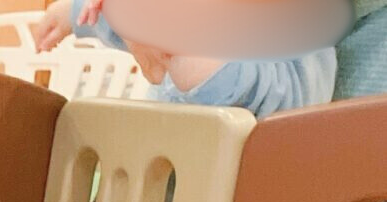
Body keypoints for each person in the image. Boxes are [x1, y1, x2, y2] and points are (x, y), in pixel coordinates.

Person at [34, 0, 339, 114]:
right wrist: (75, 13)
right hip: (151, 174)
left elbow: (295, 106)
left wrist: (191, 60)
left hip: (232, 201)